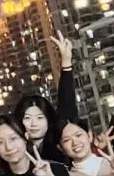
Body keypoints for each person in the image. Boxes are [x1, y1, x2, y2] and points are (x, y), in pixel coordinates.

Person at [12, 32, 77, 165]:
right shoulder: (15, 150)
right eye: (27, 118)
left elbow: (66, 102)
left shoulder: (60, 141)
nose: (33, 124)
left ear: (48, 119)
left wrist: (66, 63)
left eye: (40, 118)